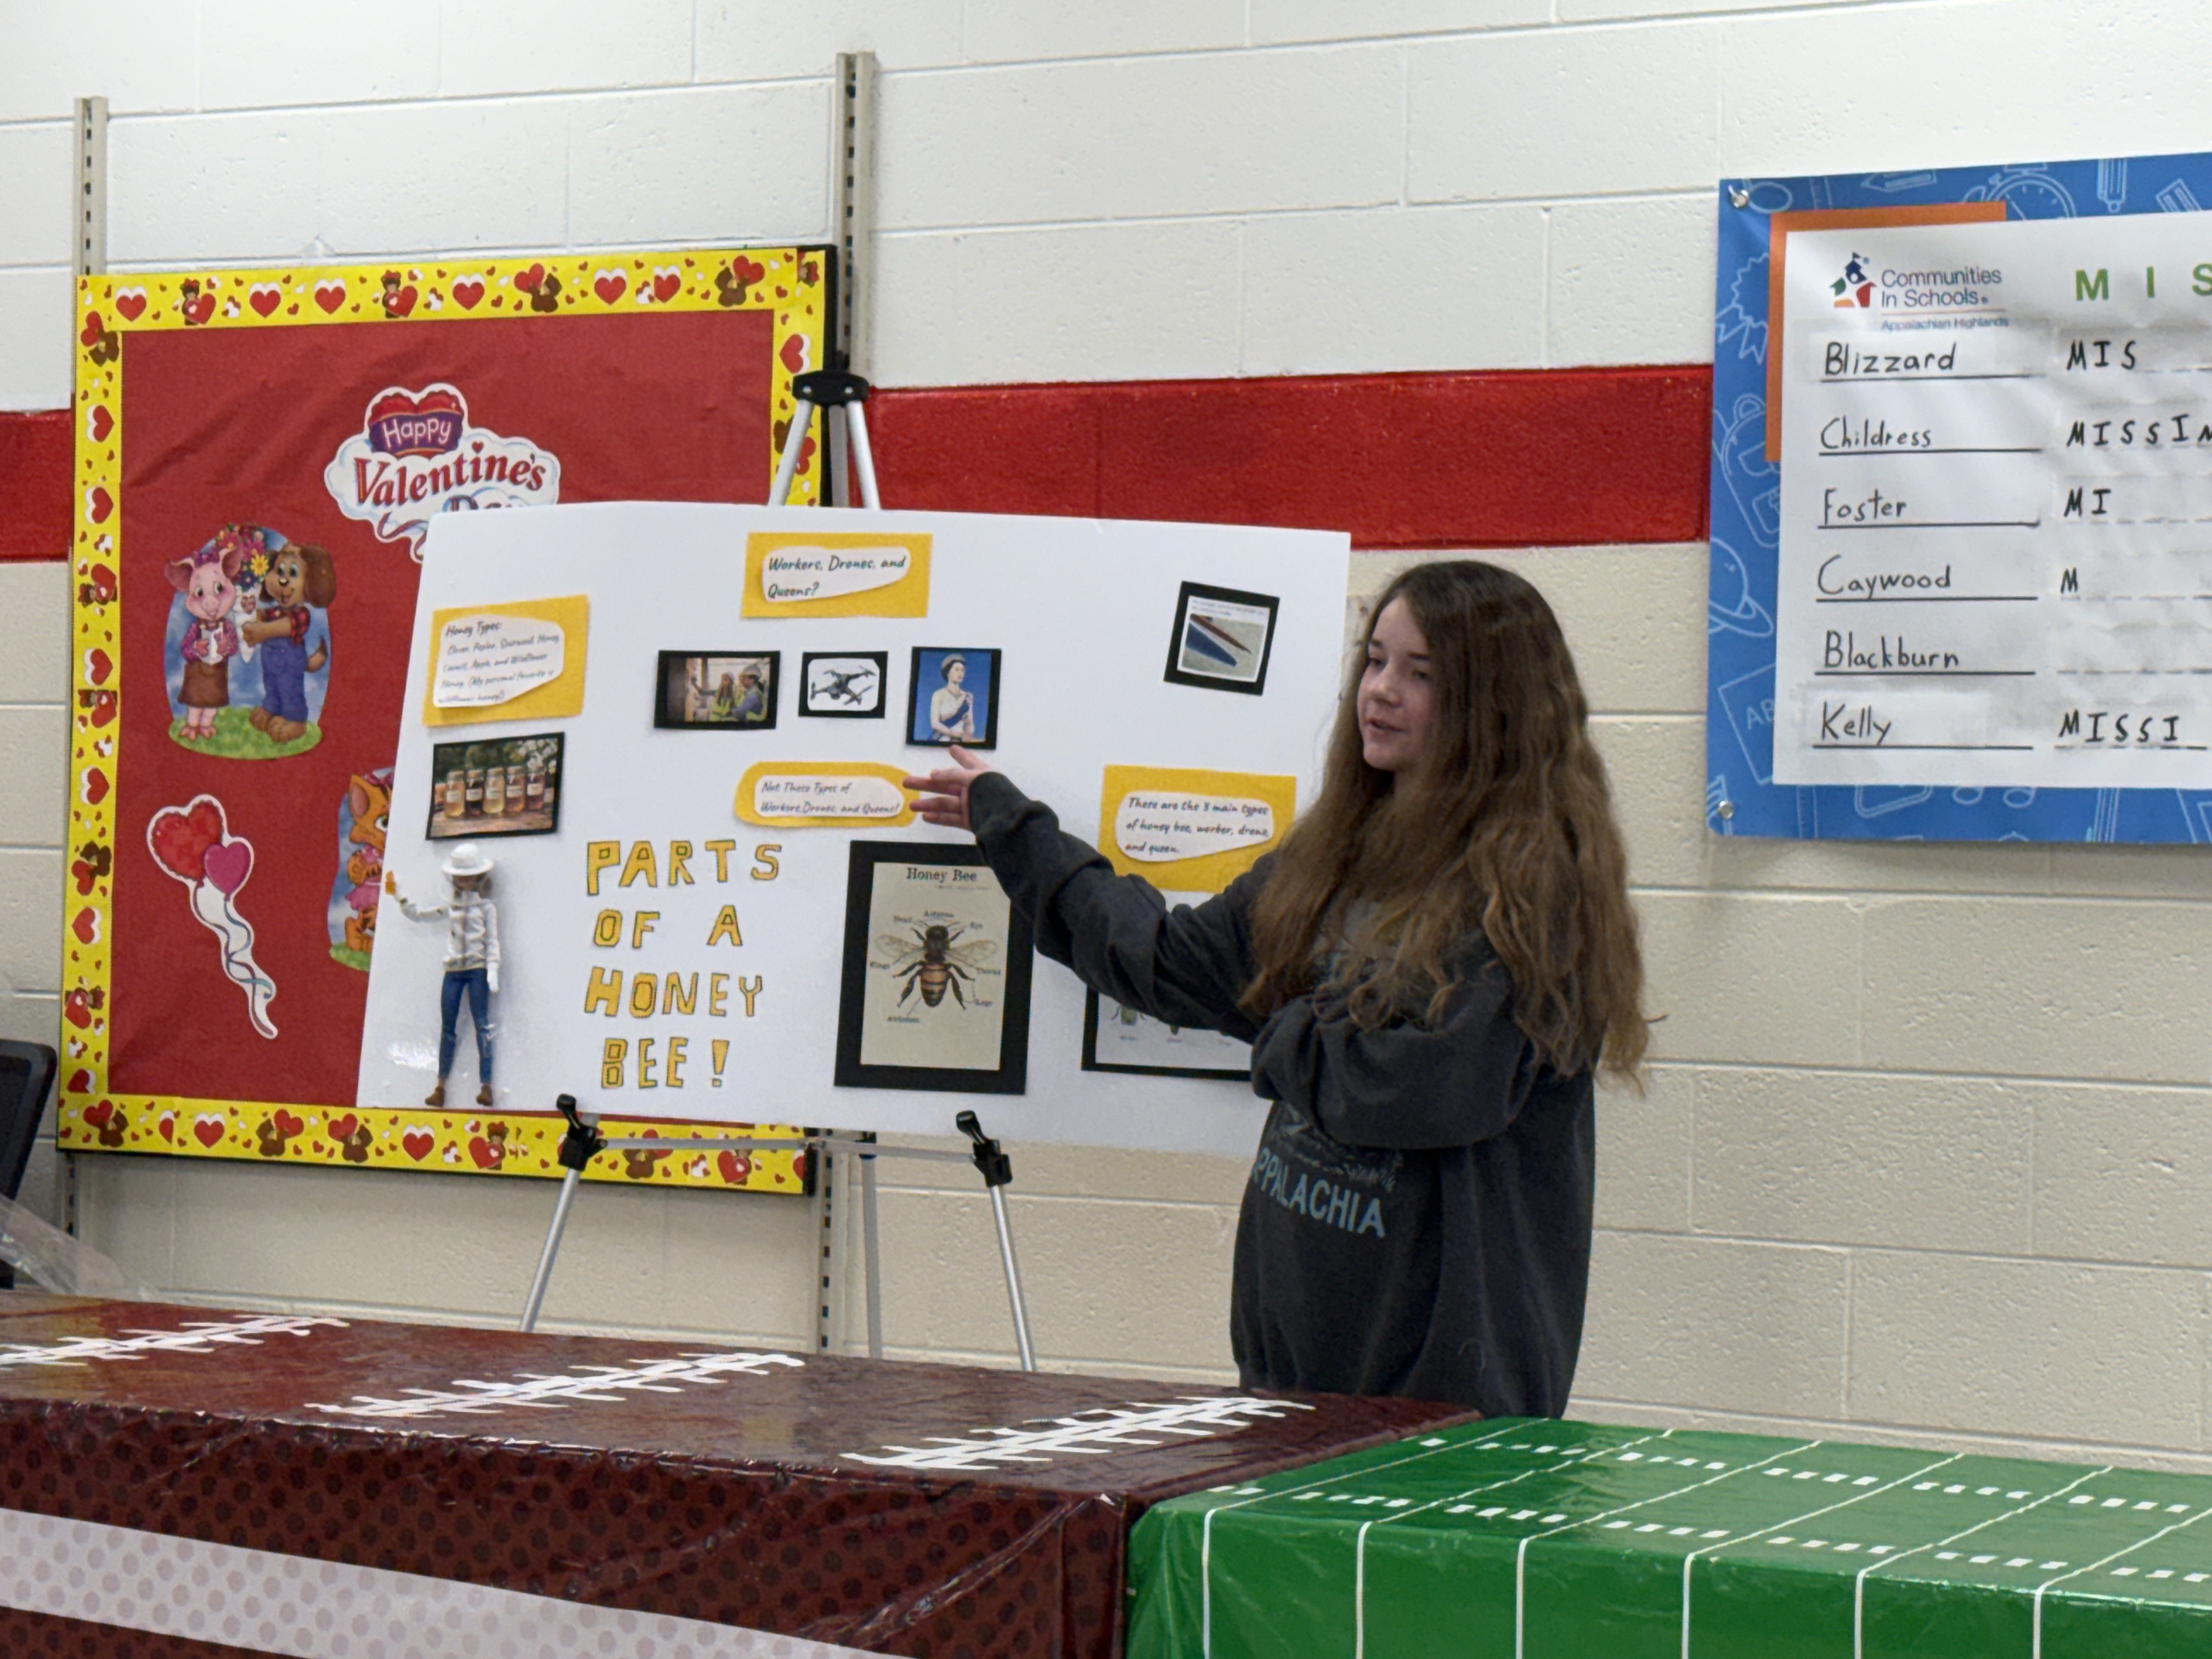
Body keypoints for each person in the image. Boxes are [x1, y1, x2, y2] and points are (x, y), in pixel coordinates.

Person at [904, 561, 1646, 1415]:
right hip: (1294, 1376)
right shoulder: (1338, 855)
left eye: (1422, 674)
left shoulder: (1531, 890)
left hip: (1447, 1399)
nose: (1382, 692)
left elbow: (1428, 1085)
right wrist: (1016, 830)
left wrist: (1278, 1031)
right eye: (1375, 661)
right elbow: (1172, 962)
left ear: (1495, 704)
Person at [387, 843, 501, 1108]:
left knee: (482, 1026)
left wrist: (493, 969)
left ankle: (486, 1085)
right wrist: (399, 895)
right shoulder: (451, 907)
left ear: (478, 878)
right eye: (460, 877)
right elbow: (419, 915)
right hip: (453, 971)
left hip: (477, 970)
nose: (464, 881)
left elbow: (493, 941)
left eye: (469, 877)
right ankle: (440, 1086)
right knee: (448, 1028)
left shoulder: (486, 909)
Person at [926, 654, 975, 742]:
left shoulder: (968, 697)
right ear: (948, 672)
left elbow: (969, 724)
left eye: (962, 670)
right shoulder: (939, 695)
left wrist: (968, 734)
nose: (960, 673)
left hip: (960, 743)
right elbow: (935, 724)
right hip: (942, 740)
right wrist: (954, 734)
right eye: (957, 670)